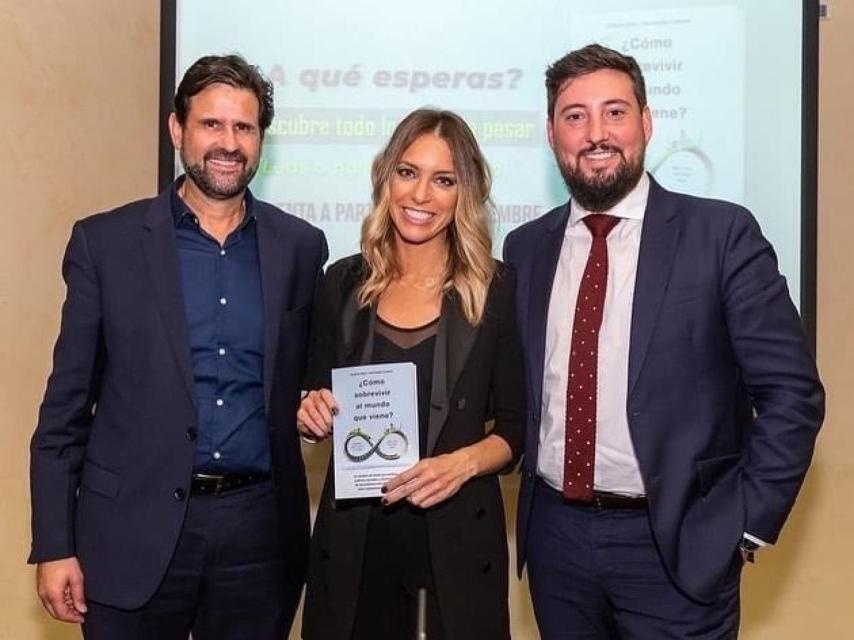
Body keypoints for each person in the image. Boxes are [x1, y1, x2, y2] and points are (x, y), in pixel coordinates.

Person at [504, 43, 825, 639]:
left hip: (678, 543)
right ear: (551, 134)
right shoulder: (526, 248)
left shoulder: (720, 234)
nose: (596, 133)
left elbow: (792, 395)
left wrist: (746, 523)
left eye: (615, 112)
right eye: (575, 116)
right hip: (556, 542)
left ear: (647, 123)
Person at [29, 54, 327, 639]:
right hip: (128, 533)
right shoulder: (105, 244)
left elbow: (305, 377)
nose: (229, 143)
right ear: (176, 130)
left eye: (244, 127)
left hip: (258, 538)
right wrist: (55, 544)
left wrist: (312, 405)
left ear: (261, 139)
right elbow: (63, 412)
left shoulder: (300, 246)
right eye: (211, 125)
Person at [296, 108, 524, 640]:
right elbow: (313, 395)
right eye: (408, 172)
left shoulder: (496, 290)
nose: (420, 195)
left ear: (463, 194)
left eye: (443, 180)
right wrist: (309, 412)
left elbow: (516, 428)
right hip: (355, 546)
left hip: (458, 547)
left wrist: (461, 464)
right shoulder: (342, 284)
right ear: (386, 176)